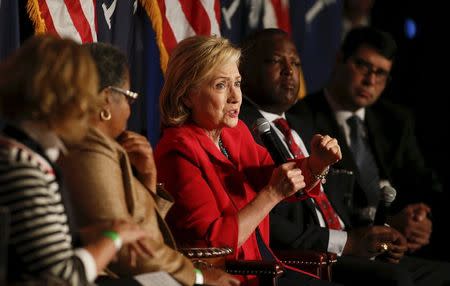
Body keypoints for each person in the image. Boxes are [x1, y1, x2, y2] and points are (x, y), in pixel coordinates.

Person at [155, 35, 343, 286]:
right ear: (187, 95)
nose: (236, 97)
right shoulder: (177, 152)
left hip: (262, 269)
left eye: (237, 83)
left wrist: (317, 164)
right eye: (221, 85)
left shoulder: (235, 133)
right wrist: (271, 194)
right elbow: (214, 246)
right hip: (228, 277)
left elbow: (282, 177)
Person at [58, 42, 239, 286]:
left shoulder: (107, 148)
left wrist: (148, 179)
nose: (129, 111)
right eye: (128, 97)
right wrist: (196, 276)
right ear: (105, 102)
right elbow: (127, 249)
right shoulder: (89, 150)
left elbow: (139, 230)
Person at [285, 27, 450, 285]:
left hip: (394, 249)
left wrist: (420, 218)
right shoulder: (302, 119)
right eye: (363, 66)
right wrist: (389, 223)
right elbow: (323, 205)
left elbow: (424, 183)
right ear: (340, 59)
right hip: (350, 246)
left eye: (381, 73)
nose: (370, 81)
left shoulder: (395, 120)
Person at [0, 35, 153, 285]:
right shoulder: (23, 166)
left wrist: (86, 236)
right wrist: (113, 238)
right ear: (69, 99)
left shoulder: (22, 152)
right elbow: (63, 277)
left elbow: (36, 251)